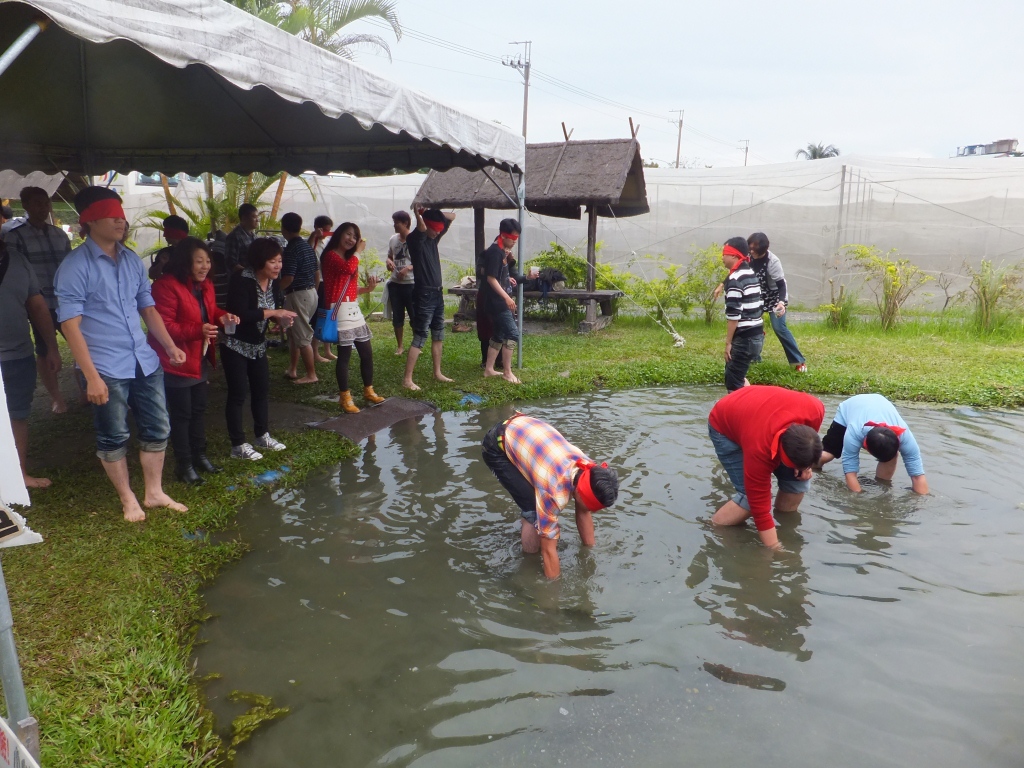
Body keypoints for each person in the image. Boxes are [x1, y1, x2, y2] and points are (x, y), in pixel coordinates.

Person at [54, 186, 188, 522]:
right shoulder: (75, 266)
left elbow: (147, 307)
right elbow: (70, 326)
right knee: (114, 434)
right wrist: (91, 377)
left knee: (158, 426)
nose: (121, 221)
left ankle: (154, 493)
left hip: (142, 359)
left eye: (122, 215)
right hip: (106, 366)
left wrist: (170, 346)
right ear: (90, 220)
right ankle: (128, 498)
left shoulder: (130, 259)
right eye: (112, 215)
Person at [482, 413, 620, 579]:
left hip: (524, 430)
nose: (591, 511)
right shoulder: (552, 493)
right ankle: (529, 564)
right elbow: (548, 551)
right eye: (591, 507)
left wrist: (589, 552)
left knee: (542, 501)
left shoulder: (589, 470)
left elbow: (583, 510)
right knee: (533, 511)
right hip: (497, 445)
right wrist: (552, 594)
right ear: (581, 493)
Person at [149, 237, 239, 485]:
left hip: (197, 357)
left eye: (207, 261)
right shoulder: (165, 286)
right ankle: (184, 465)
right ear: (184, 262)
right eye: (199, 261)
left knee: (198, 409)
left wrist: (224, 316)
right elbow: (163, 326)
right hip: (174, 360)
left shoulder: (205, 285)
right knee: (182, 413)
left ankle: (200, 456)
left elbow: (210, 313)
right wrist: (198, 330)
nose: (205, 266)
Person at [707, 385, 824, 549]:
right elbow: (759, 507)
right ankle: (712, 528)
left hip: (758, 410)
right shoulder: (759, 450)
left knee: (798, 482)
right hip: (725, 423)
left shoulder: (815, 409)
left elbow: (808, 444)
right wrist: (775, 547)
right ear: (780, 451)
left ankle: (783, 522)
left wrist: (805, 468)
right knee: (748, 499)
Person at [222, 238, 297, 460]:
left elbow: (270, 311)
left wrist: (280, 321)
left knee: (261, 392)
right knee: (237, 395)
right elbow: (242, 314)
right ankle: (237, 446)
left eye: (280, 261)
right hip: (235, 345)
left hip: (258, 346)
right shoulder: (241, 279)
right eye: (272, 261)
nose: (278, 266)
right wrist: (274, 314)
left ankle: (262, 435)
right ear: (258, 261)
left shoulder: (273, 282)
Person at [2, 185, 73, 412]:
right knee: (45, 349)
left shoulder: (59, 234)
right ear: (26, 206)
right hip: (37, 304)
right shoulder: (15, 236)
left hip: (65, 300)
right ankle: (56, 397)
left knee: (82, 343)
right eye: (37, 204)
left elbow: (71, 267)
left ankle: (85, 389)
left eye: (46, 203)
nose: (43, 208)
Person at [0, 238, 61, 489]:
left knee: (17, 414)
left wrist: (51, 347)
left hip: (17, 355)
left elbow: (37, 306)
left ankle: (18, 474)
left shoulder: (17, 260)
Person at [320, 223, 385, 413]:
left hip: (353, 309)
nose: (352, 239)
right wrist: (358, 251)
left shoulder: (349, 259)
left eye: (355, 237)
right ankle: (345, 397)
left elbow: (349, 287)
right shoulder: (331, 256)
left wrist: (368, 289)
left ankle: (368, 390)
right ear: (339, 234)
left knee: (367, 353)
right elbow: (348, 270)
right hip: (339, 310)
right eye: (348, 234)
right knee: (345, 356)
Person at [817, 393, 929, 494]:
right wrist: (858, 498)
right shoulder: (855, 432)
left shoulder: (905, 436)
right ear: (865, 446)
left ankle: (882, 485)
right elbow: (850, 471)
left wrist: (921, 503)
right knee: (827, 455)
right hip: (851, 407)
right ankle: (810, 468)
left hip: (879, 402)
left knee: (890, 455)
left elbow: (918, 476)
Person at [403, 207, 456, 390]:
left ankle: (437, 372)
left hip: (437, 293)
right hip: (424, 294)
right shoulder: (416, 240)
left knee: (438, 333)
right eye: (436, 229)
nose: (438, 233)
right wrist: (419, 215)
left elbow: (452, 216)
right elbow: (422, 229)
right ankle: (407, 379)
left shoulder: (434, 239)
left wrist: (431, 211)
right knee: (420, 335)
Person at [747, 232, 807, 373]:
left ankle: (798, 362)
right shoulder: (748, 257)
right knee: (752, 326)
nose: (751, 252)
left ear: (763, 249)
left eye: (754, 250)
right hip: (758, 295)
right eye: (750, 248)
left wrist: (781, 303)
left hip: (775, 296)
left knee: (779, 327)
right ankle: (754, 358)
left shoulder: (773, 261)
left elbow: (781, 285)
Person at [480, 218, 522, 383]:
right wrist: (506, 298)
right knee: (512, 333)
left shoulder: (501, 251)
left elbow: (497, 275)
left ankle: (489, 369)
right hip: (497, 302)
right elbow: (491, 279)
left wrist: (508, 277)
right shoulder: (495, 252)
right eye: (512, 238)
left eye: (516, 239)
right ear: (503, 235)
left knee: (499, 334)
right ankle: (507, 371)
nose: (514, 242)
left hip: (497, 300)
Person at [280, 212, 320, 385]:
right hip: (311, 292)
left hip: (298, 294)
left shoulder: (291, 249)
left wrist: (274, 290)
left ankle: (311, 374)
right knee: (293, 333)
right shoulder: (306, 247)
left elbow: (288, 277)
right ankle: (293, 369)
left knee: (302, 336)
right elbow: (317, 273)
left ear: (284, 228)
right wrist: (314, 291)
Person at [721, 236, 762, 392]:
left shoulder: (735, 279)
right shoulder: (751, 274)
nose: (722, 258)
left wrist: (728, 344)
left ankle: (745, 412)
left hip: (744, 338)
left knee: (733, 383)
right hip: (757, 336)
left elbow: (733, 316)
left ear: (733, 255)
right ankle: (751, 402)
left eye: (725, 253)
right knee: (739, 376)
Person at [385, 210, 415, 356]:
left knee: (414, 316)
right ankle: (400, 346)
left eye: (396, 222)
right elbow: (390, 256)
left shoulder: (414, 239)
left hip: (411, 284)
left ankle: (416, 345)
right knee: (397, 315)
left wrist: (408, 268)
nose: (394, 225)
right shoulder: (393, 239)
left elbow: (422, 260)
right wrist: (389, 262)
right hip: (395, 283)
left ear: (405, 223)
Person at [309, 215, 336, 362]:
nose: (327, 233)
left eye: (329, 230)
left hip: (327, 283)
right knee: (318, 318)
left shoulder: (325, 243)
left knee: (327, 315)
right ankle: (315, 352)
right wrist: (314, 236)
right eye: (325, 230)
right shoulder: (312, 243)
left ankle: (327, 349)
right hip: (317, 284)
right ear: (317, 228)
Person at [147, 214, 190, 280]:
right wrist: (161, 264)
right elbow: (152, 275)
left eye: (168, 232)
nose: (164, 235)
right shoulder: (165, 252)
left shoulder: (194, 251)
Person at [224, 203, 259, 272]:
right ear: (244, 218)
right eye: (254, 217)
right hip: (241, 279)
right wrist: (248, 274)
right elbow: (231, 263)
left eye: (257, 217)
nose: (257, 220)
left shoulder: (254, 236)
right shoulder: (234, 237)